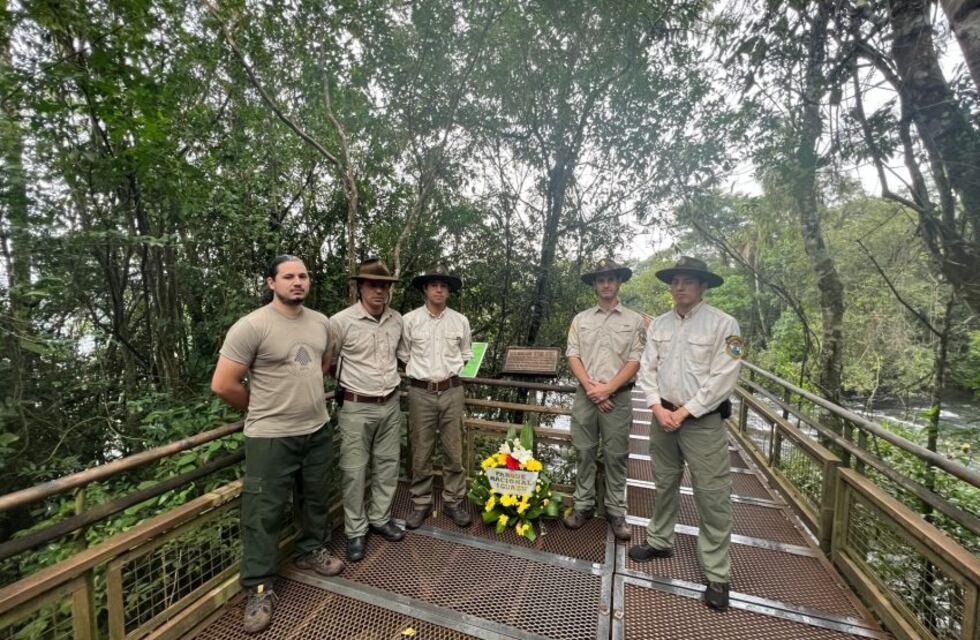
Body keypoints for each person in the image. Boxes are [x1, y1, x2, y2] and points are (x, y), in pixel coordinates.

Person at [211, 255, 343, 635]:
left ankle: (311, 550)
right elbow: (223, 384)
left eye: (302, 276)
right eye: (288, 277)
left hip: (316, 428)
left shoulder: (321, 323)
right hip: (270, 436)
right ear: (271, 283)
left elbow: (322, 364)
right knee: (263, 513)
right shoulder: (252, 326)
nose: (297, 282)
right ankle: (259, 587)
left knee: (315, 497)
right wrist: (261, 408)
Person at [628, 256, 743, 612]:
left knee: (712, 494)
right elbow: (647, 369)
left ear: (703, 286)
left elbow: (724, 377)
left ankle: (717, 572)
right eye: (675, 281)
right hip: (662, 416)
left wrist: (684, 411)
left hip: (702, 421)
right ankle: (660, 540)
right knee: (664, 481)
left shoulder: (724, 325)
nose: (679, 287)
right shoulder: (660, 325)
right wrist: (656, 407)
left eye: (688, 281)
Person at [563, 258, 646, 541]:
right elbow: (573, 355)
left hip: (618, 398)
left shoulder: (634, 320)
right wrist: (592, 389)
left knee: (616, 455)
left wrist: (608, 389)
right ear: (595, 285)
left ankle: (616, 510)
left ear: (619, 282)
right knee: (584, 452)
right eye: (601, 280)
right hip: (586, 396)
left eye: (611, 279)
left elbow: (635, 360)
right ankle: (583, 505)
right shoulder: (581, 320)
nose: (606, 284)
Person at [329, 258, 406, 562]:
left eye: (384, 286)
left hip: (390, 402)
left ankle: (379, 517)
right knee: (354, 470)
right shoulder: (340, 321)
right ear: (360, 287)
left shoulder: (396, 320)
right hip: (356, 406)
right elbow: (328, 361)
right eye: (373, 285)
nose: (379, 291)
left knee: (388, 464)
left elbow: (402, 356)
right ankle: (355, 530)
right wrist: (351, 384)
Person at [398, 264, 474, 529]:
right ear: (425, 289)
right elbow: (404, 354)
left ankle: (453, 501)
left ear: (449, 291)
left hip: (452, 391)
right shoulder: (409, 320)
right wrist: (425, 376)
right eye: (434, 285)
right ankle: (421, 502)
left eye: (443, 286)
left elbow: (466, 355)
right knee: (421, 450)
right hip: (420, 392)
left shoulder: (460, 321)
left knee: (454, 449)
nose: (439, 290)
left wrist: (447, 377)